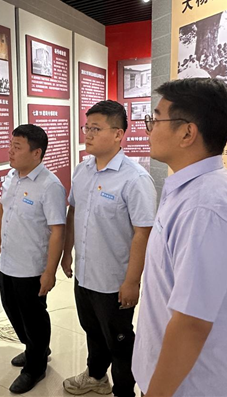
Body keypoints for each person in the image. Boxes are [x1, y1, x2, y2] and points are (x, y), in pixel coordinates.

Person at [132, 78, 227, 397]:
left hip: (188, 387)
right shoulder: (193, 190)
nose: (149, 130)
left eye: (156, 119)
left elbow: (191, 323)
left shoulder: (206, 207)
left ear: (187, 133)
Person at [61, 101, 156, 397]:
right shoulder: (82, 170)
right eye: (86, 127)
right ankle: (96, 376)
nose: (88, 134)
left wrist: (132, 282)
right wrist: (67, 253)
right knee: (92, 330)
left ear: (118, 134)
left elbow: (143, 233)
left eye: (96, 128)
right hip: (85, 274)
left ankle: (124, 391)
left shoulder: (135, 179)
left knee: (120, 340)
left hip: (114, 281)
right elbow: (74, 212)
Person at [0, 124, 66, 394]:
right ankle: (36, 347)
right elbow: (1, 211)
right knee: (11, 309)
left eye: (17, 147)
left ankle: (35, 367)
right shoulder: (11, 177)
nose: (10, 151)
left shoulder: (50, 186)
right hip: (9, 261)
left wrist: (50, 271)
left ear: (36, 153)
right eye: (11, 145)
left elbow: (58, 231)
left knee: (34, 318)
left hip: (32, 268)